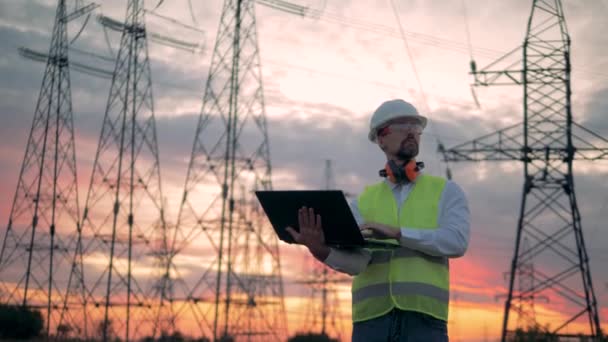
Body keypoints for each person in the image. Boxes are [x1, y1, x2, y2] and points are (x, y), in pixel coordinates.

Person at [286, 99, 470, 342]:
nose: (411, 132)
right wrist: (320, 249)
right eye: (402, 126)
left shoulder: (447, 191)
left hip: (424, 321)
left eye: (416, 127)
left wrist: (398, 233)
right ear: (380, 139)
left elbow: (456, 242)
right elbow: (359, 263)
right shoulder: (363, 202)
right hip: (370, 323)